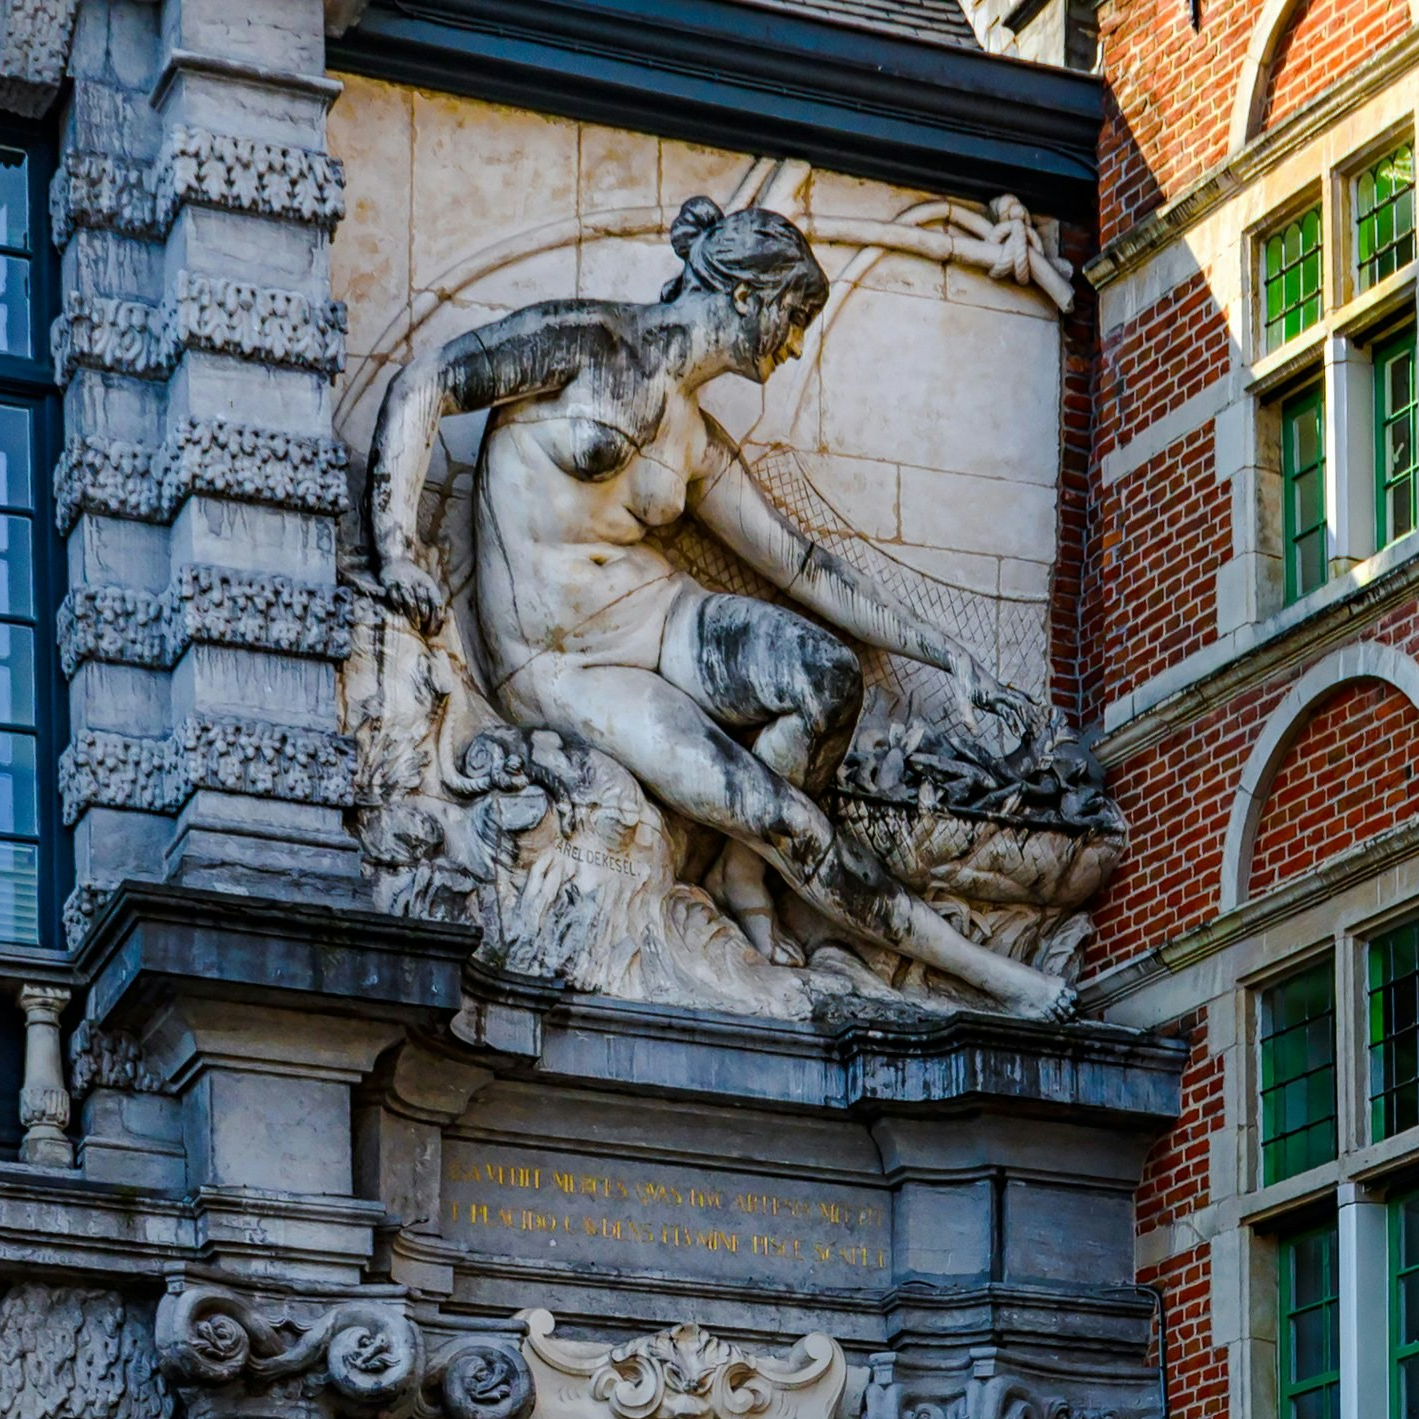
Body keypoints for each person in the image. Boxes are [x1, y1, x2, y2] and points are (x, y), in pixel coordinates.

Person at [426, 201, 1077, 1017]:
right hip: (567, 664)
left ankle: (742, 867)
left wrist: (949, 655)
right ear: (745, 296)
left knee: (828, 677)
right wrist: (391, 550)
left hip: (658, 615)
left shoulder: (693, 437)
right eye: (794, 318)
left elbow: (804, 564)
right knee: (783, 816)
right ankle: (993, 978)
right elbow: (432, 383)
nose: (796, 342)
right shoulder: (586, 343)